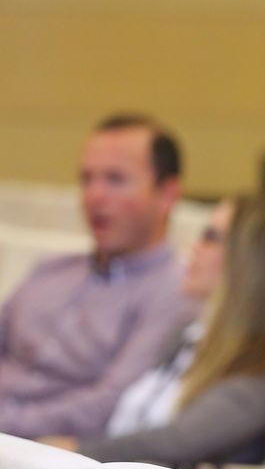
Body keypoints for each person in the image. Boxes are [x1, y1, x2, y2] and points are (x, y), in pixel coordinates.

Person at [56, 196, 265, 467]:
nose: (194, 248)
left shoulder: (261, 373)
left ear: (253, 262)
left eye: (211, 237)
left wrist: (79, 450)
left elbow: (176, 442)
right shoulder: (189, 335)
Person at [0, 113, 198, 438]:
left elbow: (108, 405)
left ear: (167, 195)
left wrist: (8, 424)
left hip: (41, 449)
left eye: (115, 179)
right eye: (87, 179)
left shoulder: (175, 292)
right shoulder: (50, 269)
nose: (95, 196)